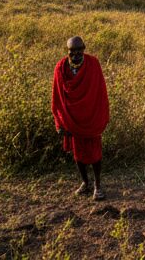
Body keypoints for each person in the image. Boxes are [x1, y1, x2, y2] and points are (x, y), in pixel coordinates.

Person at [51, 36, 110, 200]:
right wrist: (60, 122)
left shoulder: (93, 64)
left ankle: (97, 186)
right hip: (71, 119)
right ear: (67, 51)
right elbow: (57, 96)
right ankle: (85, 183)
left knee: (95, 154)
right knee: (78, 154)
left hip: (91, 117)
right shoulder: (61, 68)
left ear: (84, 49)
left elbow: (100, 92)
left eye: (79, 50)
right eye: (72, 51)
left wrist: (101, 115)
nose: (76, 54)